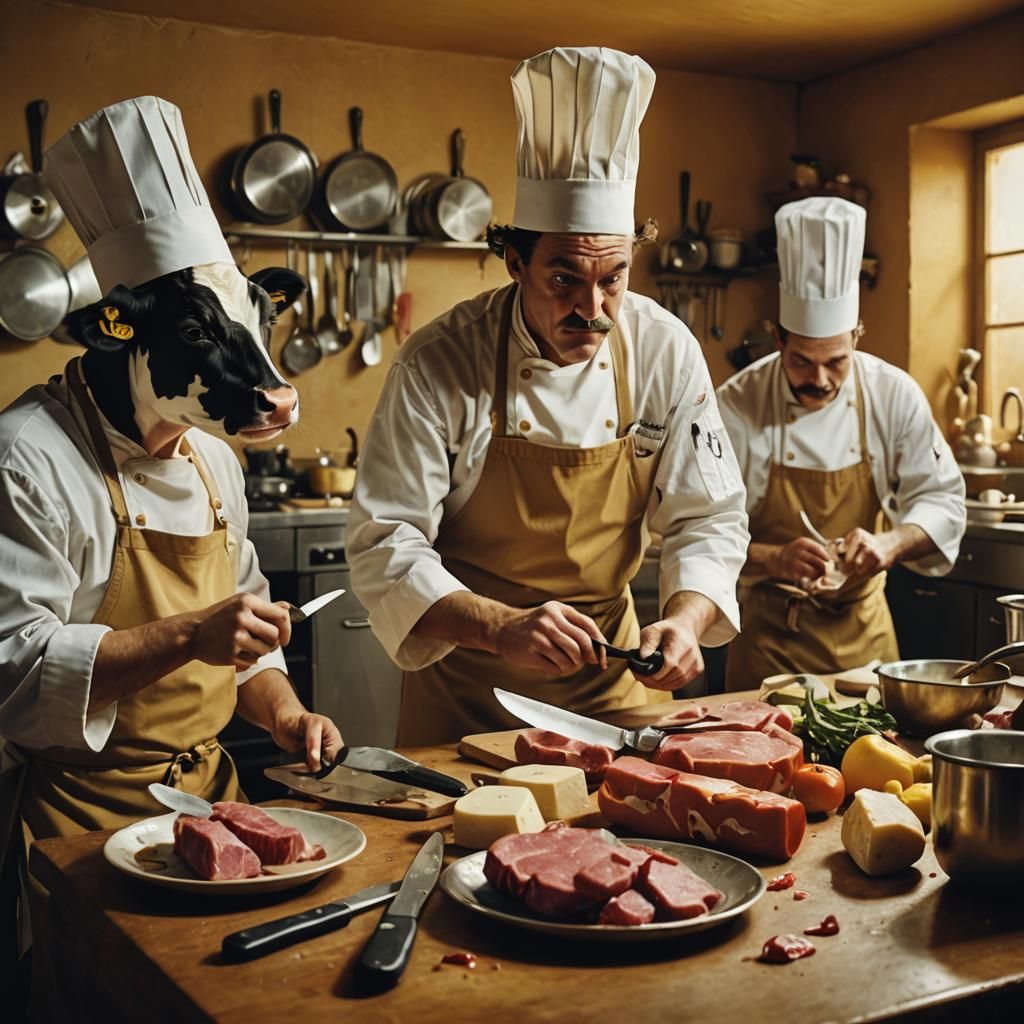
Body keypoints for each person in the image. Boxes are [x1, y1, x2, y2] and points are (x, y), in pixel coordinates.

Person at [0, 97, 343, 965]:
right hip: (77, 823)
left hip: (214, 811)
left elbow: (246, 631)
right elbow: (14, 673)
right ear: (122, 333)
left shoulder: (210, 456)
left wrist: (286, 710)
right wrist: (193, 630)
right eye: (198, 333)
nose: (266, 384)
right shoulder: (26, 458)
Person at [348, 47, 750, 745]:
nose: (592, 309)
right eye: (564, 279)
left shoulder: (664, 350)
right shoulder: (439, 362)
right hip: (467, 699)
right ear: (515, 263)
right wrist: (501, 627)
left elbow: (708, 515)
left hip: (614, 691)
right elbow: (386, 542)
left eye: (614, 280)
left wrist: (685, 620)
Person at [717, 196, 965, 690]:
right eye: (803, 362)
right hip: (768, 645)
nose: (821, 380)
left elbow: (944, 501)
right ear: (778, 338)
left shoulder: (892, 393)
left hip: (865, 641)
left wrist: (889, 544)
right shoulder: (737, 403)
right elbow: (702, 527)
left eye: (836, 362)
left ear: (857, 335)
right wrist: (775, 558)